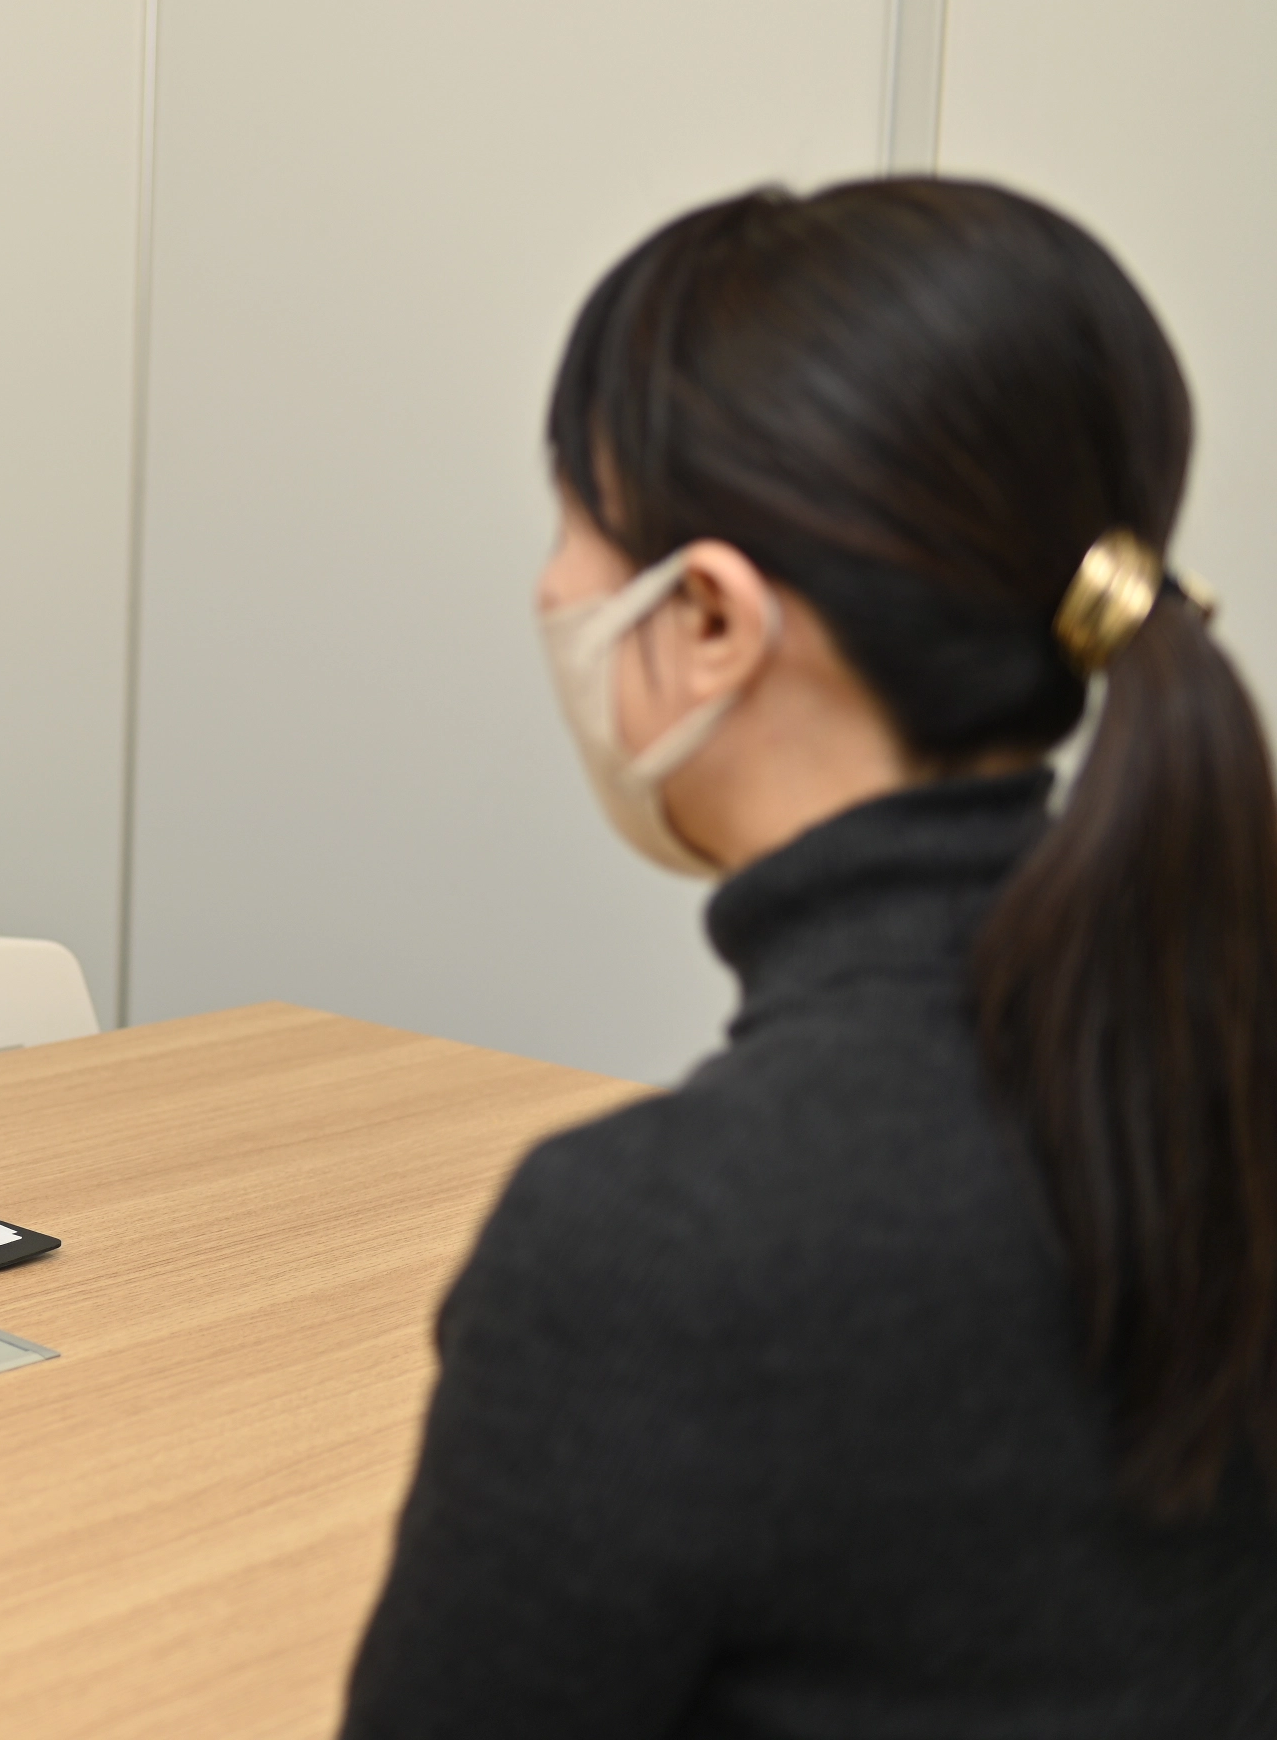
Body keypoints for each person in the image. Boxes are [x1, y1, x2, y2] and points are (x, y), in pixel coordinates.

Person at [343, 178, 1277, 1734]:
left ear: (709, 617)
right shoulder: (1210, 1090)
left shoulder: (655, 1247)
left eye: (577, 511)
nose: (551, 583)